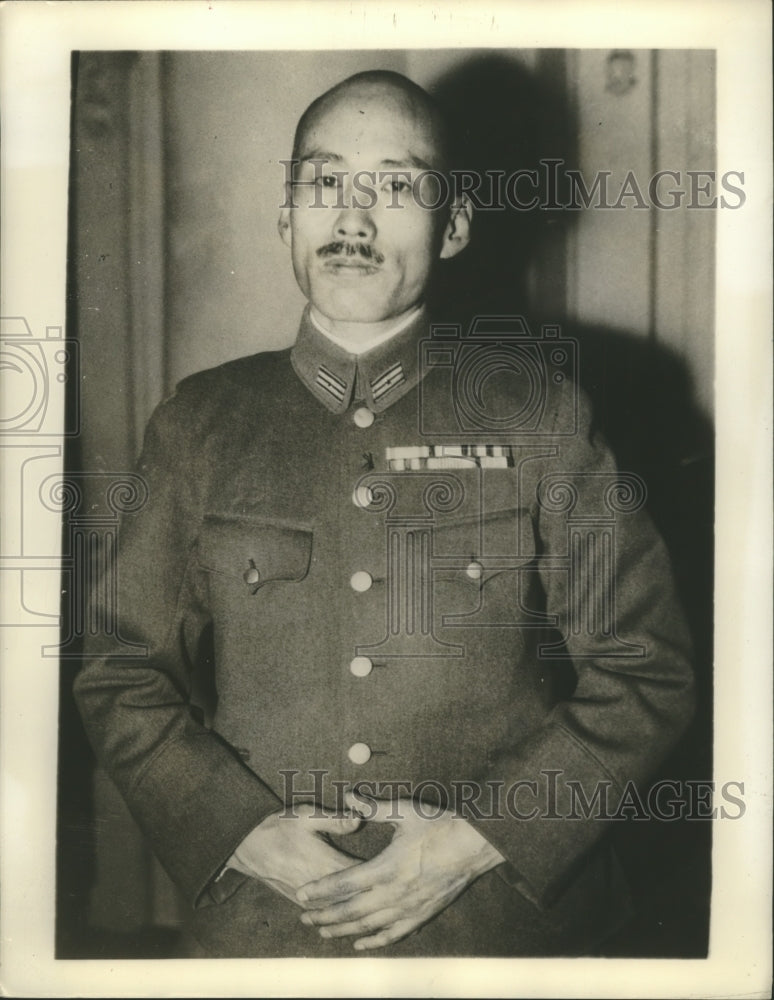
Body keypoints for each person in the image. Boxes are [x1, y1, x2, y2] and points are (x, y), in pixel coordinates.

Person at [74, 70, 694, 957]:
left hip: (502, 934)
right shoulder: (200, 424)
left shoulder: (538, 414)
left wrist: (474, 843)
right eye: (324, 182)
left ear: (457, 226)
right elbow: (120, 671)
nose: (352, 220)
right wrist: (240, 831)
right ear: (286, 214)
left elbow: (647, 671)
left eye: (396, 187)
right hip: (268, 931)